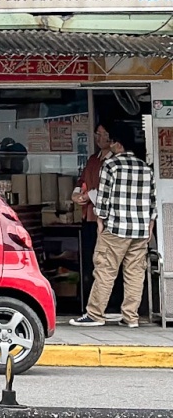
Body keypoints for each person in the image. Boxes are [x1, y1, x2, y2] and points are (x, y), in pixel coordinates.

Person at [70, 122, 154, 328]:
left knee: (105, 270)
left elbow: (103, 200)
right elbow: (152, 201)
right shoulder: (145, 167)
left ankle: (95, 314)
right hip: (141, 230)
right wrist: (150, 227)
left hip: (116, 228)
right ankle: (130, 317)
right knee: (135, 273)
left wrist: (100, 222)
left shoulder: (111, 165)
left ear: (117, 143)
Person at [71, 122, 112, 305]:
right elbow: (82, 180)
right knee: (90, 261)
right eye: (97, 134)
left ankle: (108, 304)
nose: (98, 138)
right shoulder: (93, 159)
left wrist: (90, 195)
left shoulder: (115, 161)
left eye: (102, 134)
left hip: (105, 218)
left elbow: (111, 189)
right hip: (88, 216)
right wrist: (76, 193)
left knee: (105, 263)